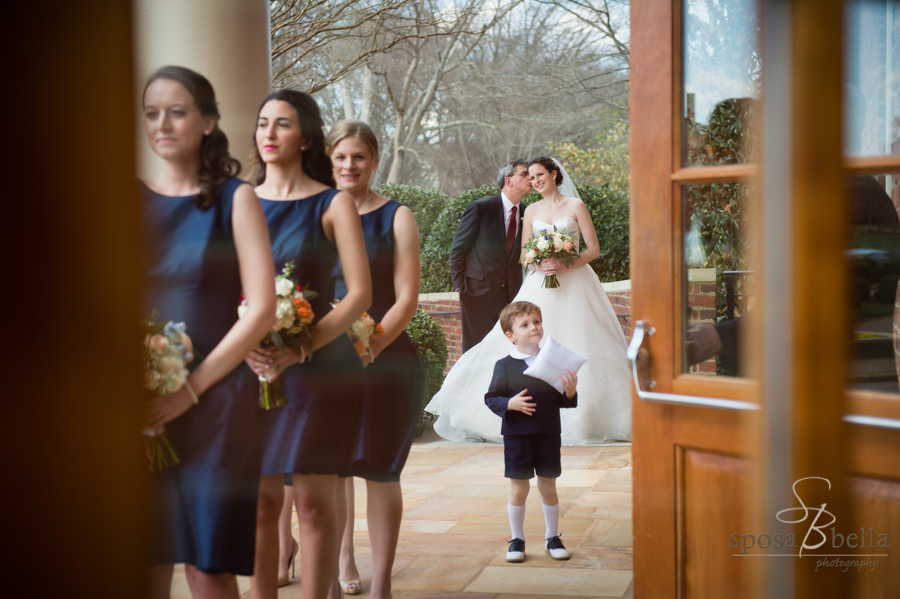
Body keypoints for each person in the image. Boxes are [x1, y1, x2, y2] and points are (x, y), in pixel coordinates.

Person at [140, 66, 277, 599]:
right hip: (141, 399)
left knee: (208, 562)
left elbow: (262, 308)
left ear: (208, 120)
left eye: (177, 111)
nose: (163, 123)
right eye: (152, 113)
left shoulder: (235, 198)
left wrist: (190, 390)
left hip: (218, 403)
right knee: (143, 556)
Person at [244, 90, 371, 599]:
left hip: (318, 371)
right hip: (251, 370)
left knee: (314, 506)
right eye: (262, 124)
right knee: (257, 505)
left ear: (306, 137)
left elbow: (359, 292)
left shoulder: (332, 201)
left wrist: (299, 349)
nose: (269, 134)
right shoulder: (241, 200)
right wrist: (244, 346)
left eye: (282, 124)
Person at [426, 156, 631, 446]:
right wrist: (540, 265)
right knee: (521, 340)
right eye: (531, 177)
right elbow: (524, 255)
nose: (535, 182)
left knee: (582, 337)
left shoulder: (575, 206)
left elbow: (594, 248)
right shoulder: (530, 210)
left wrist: (566, 263)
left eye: (539, 175)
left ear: (554, 174)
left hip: (576, 282)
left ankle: (588, 416)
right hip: (539, 284)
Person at [325, 119, 425, 598]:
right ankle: (343, 558)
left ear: (374, 160)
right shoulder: (316, 215)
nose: (349, 165)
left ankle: (382, 580)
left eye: (358, 157)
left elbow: (407, 299)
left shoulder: (397, 217)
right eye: (340, 156)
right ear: (328, 160)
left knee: (381, 470)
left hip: (387, 359)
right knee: (335, 468)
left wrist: (369, 347)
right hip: (327, 362)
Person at [485, 301, 578, 562]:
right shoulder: (504, 365)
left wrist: (570, 390)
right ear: (510, 336)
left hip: (548, 434)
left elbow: (562, 399)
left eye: (536, 322)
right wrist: (509, 403)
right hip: (517, 437)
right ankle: (517, 539)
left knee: (548, 486)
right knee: (519, 489)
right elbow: (491, 398)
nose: (533, 327)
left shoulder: (552, 361)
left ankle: (552, 537)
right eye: (525, 324)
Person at [450, 160, 530, 351]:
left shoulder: (528, 213)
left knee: (506, 350)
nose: (531, 178)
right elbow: (459, 249)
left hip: (512, 295)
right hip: (476, 293)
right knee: (475, 350)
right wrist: (460, 286)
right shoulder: (480, 208)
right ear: (509, 181)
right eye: (525, 174)